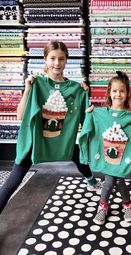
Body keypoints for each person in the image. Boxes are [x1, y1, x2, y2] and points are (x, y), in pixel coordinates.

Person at [0, 40, 101, 214]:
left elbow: (86, 119)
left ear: (66, 60)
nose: (57, 63)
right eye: (52, 58)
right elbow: (20, 115)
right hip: (36, 142)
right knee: (12, 182)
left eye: (61, 59)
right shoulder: (36, 84)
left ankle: (91, 181)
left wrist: (86, 98)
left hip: (62, 140)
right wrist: (27, 89)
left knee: (76, 153)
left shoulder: (76, 89)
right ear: (45, 59)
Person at [78, 71, 131, 225]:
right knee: (113, 180)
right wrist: (89, 114)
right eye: (114, 91)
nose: (118, 94)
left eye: (122, 91)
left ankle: (108, 206)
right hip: (106, 155)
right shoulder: (99, 113)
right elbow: (88, 126)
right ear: (109, 93)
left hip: (121, 157)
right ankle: (123, 204)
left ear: (128, 93)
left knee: (117, 180)